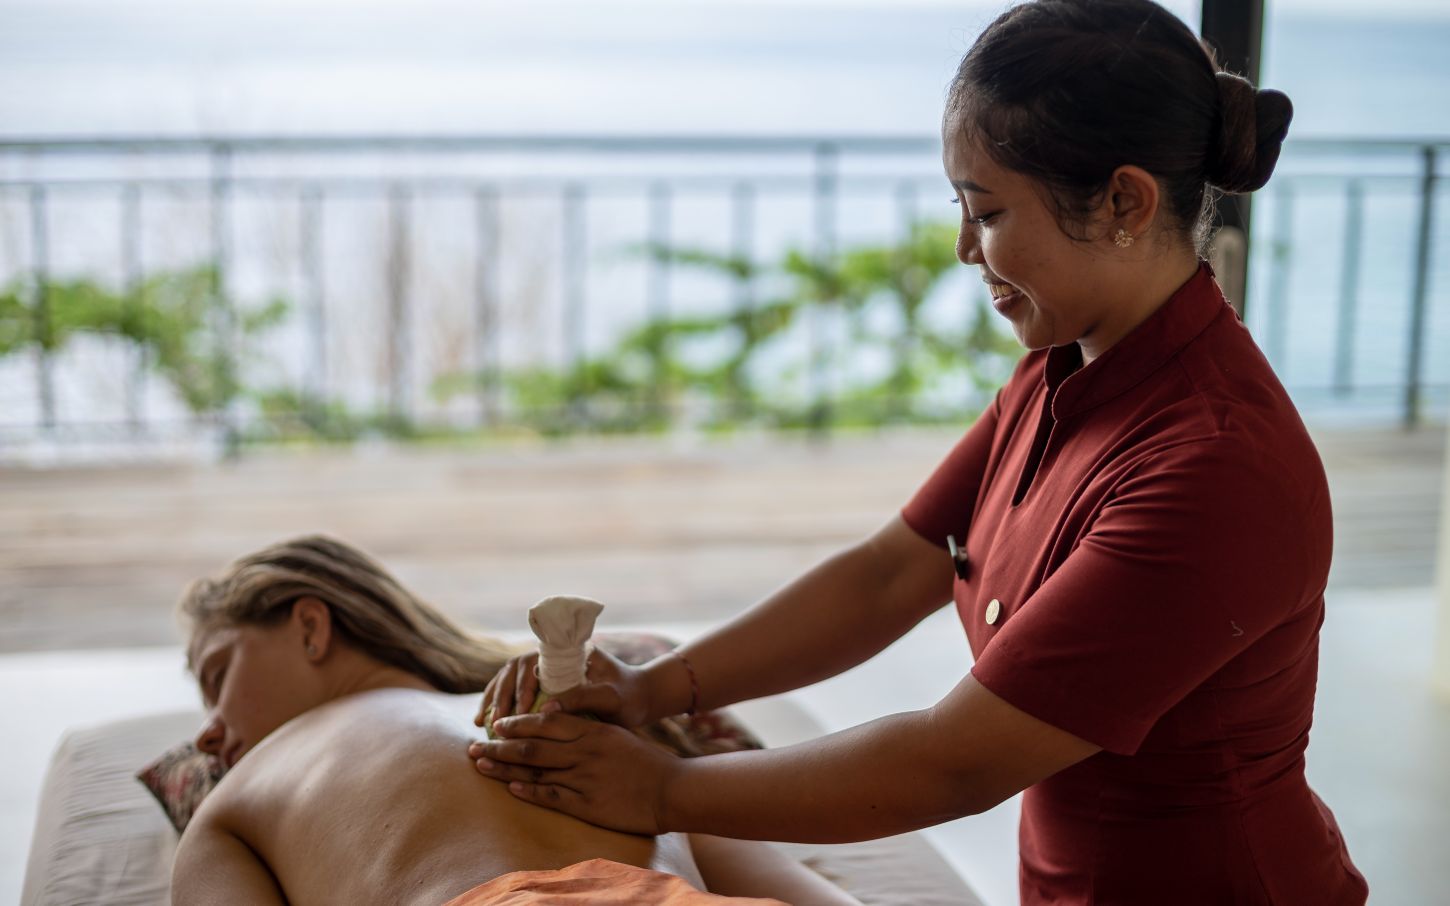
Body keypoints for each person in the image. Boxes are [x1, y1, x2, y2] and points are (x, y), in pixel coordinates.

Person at [468, 1, 1370, 903]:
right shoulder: (1064, 369)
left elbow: (953, 762)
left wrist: (661, 786)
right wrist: (649, 689)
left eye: (986, 211)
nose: (962, 249)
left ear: (1124, 201)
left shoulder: (1216, 472)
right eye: (960, 208)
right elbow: (890, 572)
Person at [170, 535, 858, 905]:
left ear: (311, 627)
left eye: (216, 677)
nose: (206, 736)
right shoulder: (614, 749)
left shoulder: (237, 800)